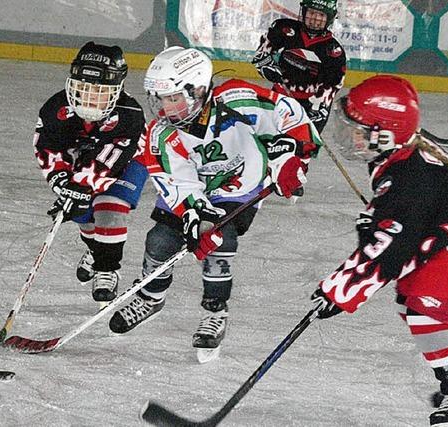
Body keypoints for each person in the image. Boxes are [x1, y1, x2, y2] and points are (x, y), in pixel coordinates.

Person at [108, 46, 321, 361]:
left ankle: (215, 311)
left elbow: (287, 115)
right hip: (195, 190)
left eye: (173, 98)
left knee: (222, 242)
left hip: (241, 188)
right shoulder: (160, 135)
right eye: (161, 99)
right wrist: (195, 214)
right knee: (160, 239)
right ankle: (151, 297)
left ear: (197, 89)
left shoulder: (236, 99)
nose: (165, 108)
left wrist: (296, 155)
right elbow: (178, 183)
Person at [308, 75, 448, 426]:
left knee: (424, 300)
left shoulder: (409, 174)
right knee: (411, 297)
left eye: (357, 128)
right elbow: (400, 231)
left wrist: (341, 289)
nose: (349, 135)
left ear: (384, 133)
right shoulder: (404, 156)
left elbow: (393, 246)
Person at [33, 41, 146, 303]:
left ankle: (107, 271)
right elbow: (47, 146)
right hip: (85, 164)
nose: (91, 96)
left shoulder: (129, 115)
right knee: (81, 213)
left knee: (108, 208)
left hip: (130, 162)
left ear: (117, 89)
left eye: (100, 91)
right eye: (84, 88)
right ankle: (96, 250)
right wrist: (61, 180)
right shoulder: (56, 108)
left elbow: (109, 162)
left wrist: (82, 187)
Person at [252, 0, 346, 133]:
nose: (314, 19)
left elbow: (332, 84)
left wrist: (318, 106)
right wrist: (265, 67)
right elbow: (260, 56)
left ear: (329, 18)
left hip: (311, 104)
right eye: (311, 13)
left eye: (320, 15)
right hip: (279, 97)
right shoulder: (284, 28)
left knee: (303, 149)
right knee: (268, 140)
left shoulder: (333, 51)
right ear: (304, 11)